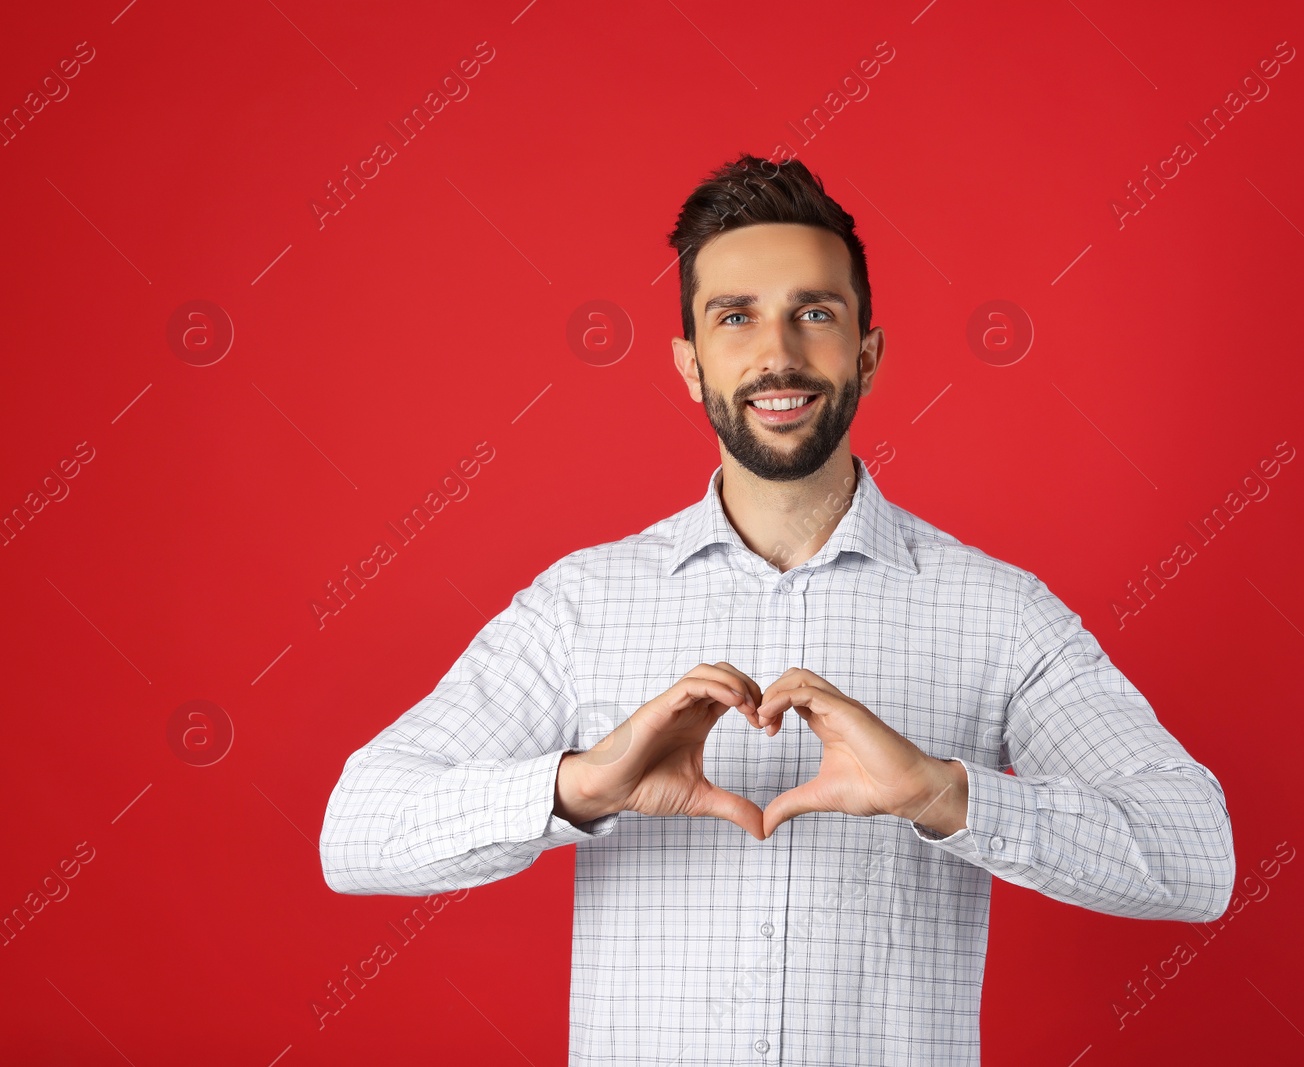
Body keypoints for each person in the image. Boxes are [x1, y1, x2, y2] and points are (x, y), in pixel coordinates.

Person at [318, 153, 1234, 1065]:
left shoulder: (998, 611)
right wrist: (577, 788)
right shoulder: (580, 604)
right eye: (735, 317)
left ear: (867, 353)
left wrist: (941, 795)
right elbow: (355, 831)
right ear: (689, 363)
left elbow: (1195, 856)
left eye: (816, 314)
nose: (778, 354)